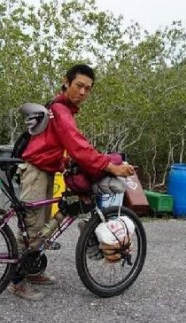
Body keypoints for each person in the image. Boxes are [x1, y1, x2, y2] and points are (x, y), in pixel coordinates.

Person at [8, 64, 135, 301]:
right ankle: (16, 281)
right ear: (66, 82)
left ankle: (32, 270)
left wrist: (65, 160)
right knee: (33, 227)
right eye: (79, 85)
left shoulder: (64, 109)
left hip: (46, 169)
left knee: (43, 225)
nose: (83, 92)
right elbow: (77, 144)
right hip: (36, 171)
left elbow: (61, 144)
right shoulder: (59, 108)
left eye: (88, 88)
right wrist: (109, 165)